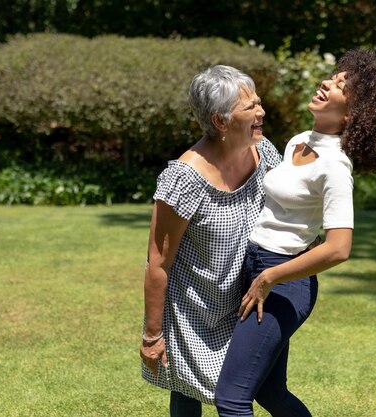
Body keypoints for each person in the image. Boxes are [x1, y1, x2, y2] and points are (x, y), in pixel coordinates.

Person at [214, 49, 376, 417]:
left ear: (353, 114)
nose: (326, 82)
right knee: (271, 393)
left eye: (339, 86)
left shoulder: (335, 166)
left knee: (231, 397)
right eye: (333, 77)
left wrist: (268, 277)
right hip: (260, 269)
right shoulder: (299, 140)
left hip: (283, 281)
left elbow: (339, 249)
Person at [140, 65, 282, 416]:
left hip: (245, 299)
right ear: (220, 121)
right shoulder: (185, 178)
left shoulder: (265, 156)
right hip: (192, 310)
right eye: (250, 108)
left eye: (259, 102)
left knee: (238, 392)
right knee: (187, 386)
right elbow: (158, 263)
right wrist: (152, 336)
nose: (261, 112)